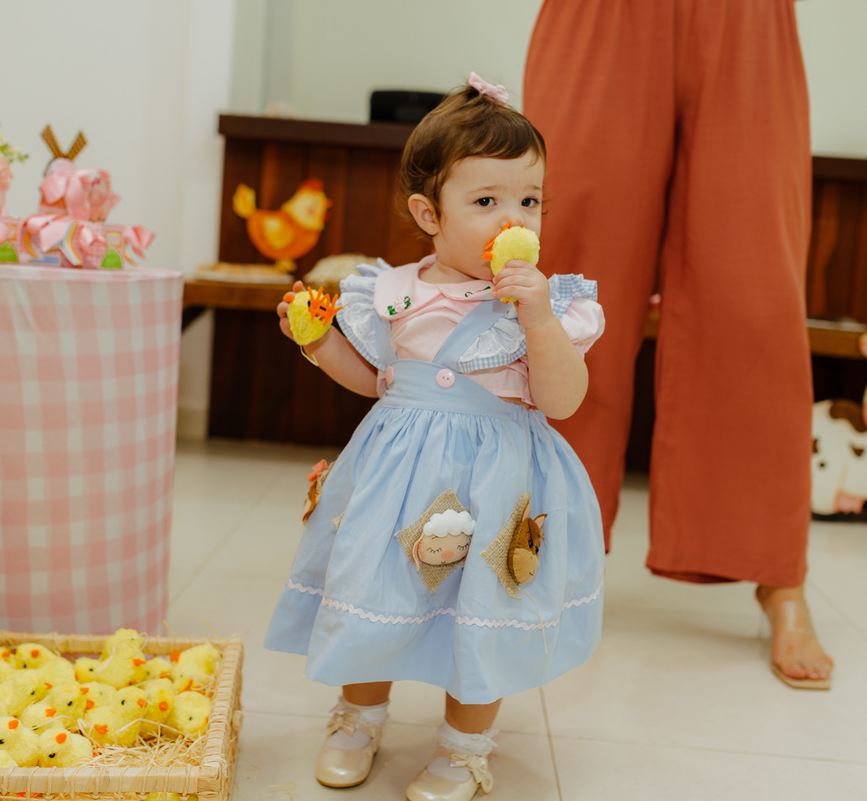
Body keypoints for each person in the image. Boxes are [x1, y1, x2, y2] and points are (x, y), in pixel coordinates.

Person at [264, 73, 606, 801]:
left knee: (485, 606)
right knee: (374, 588)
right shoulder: (392, 291)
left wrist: (540, 321)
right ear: (429, 212)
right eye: (486, 201)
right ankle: (358, 715)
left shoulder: (543, 303)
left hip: (498, 486)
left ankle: (464, 745)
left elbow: (564, 399)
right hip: (396, 480)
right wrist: (316, 341)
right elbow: (376, 381)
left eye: (529, 200)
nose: (512, 218)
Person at [523, 0, 835, 689]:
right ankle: (535, 543)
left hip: (748, 19)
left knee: (756, 295)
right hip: (600, 16)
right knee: (568, 287)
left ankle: (779, 575)